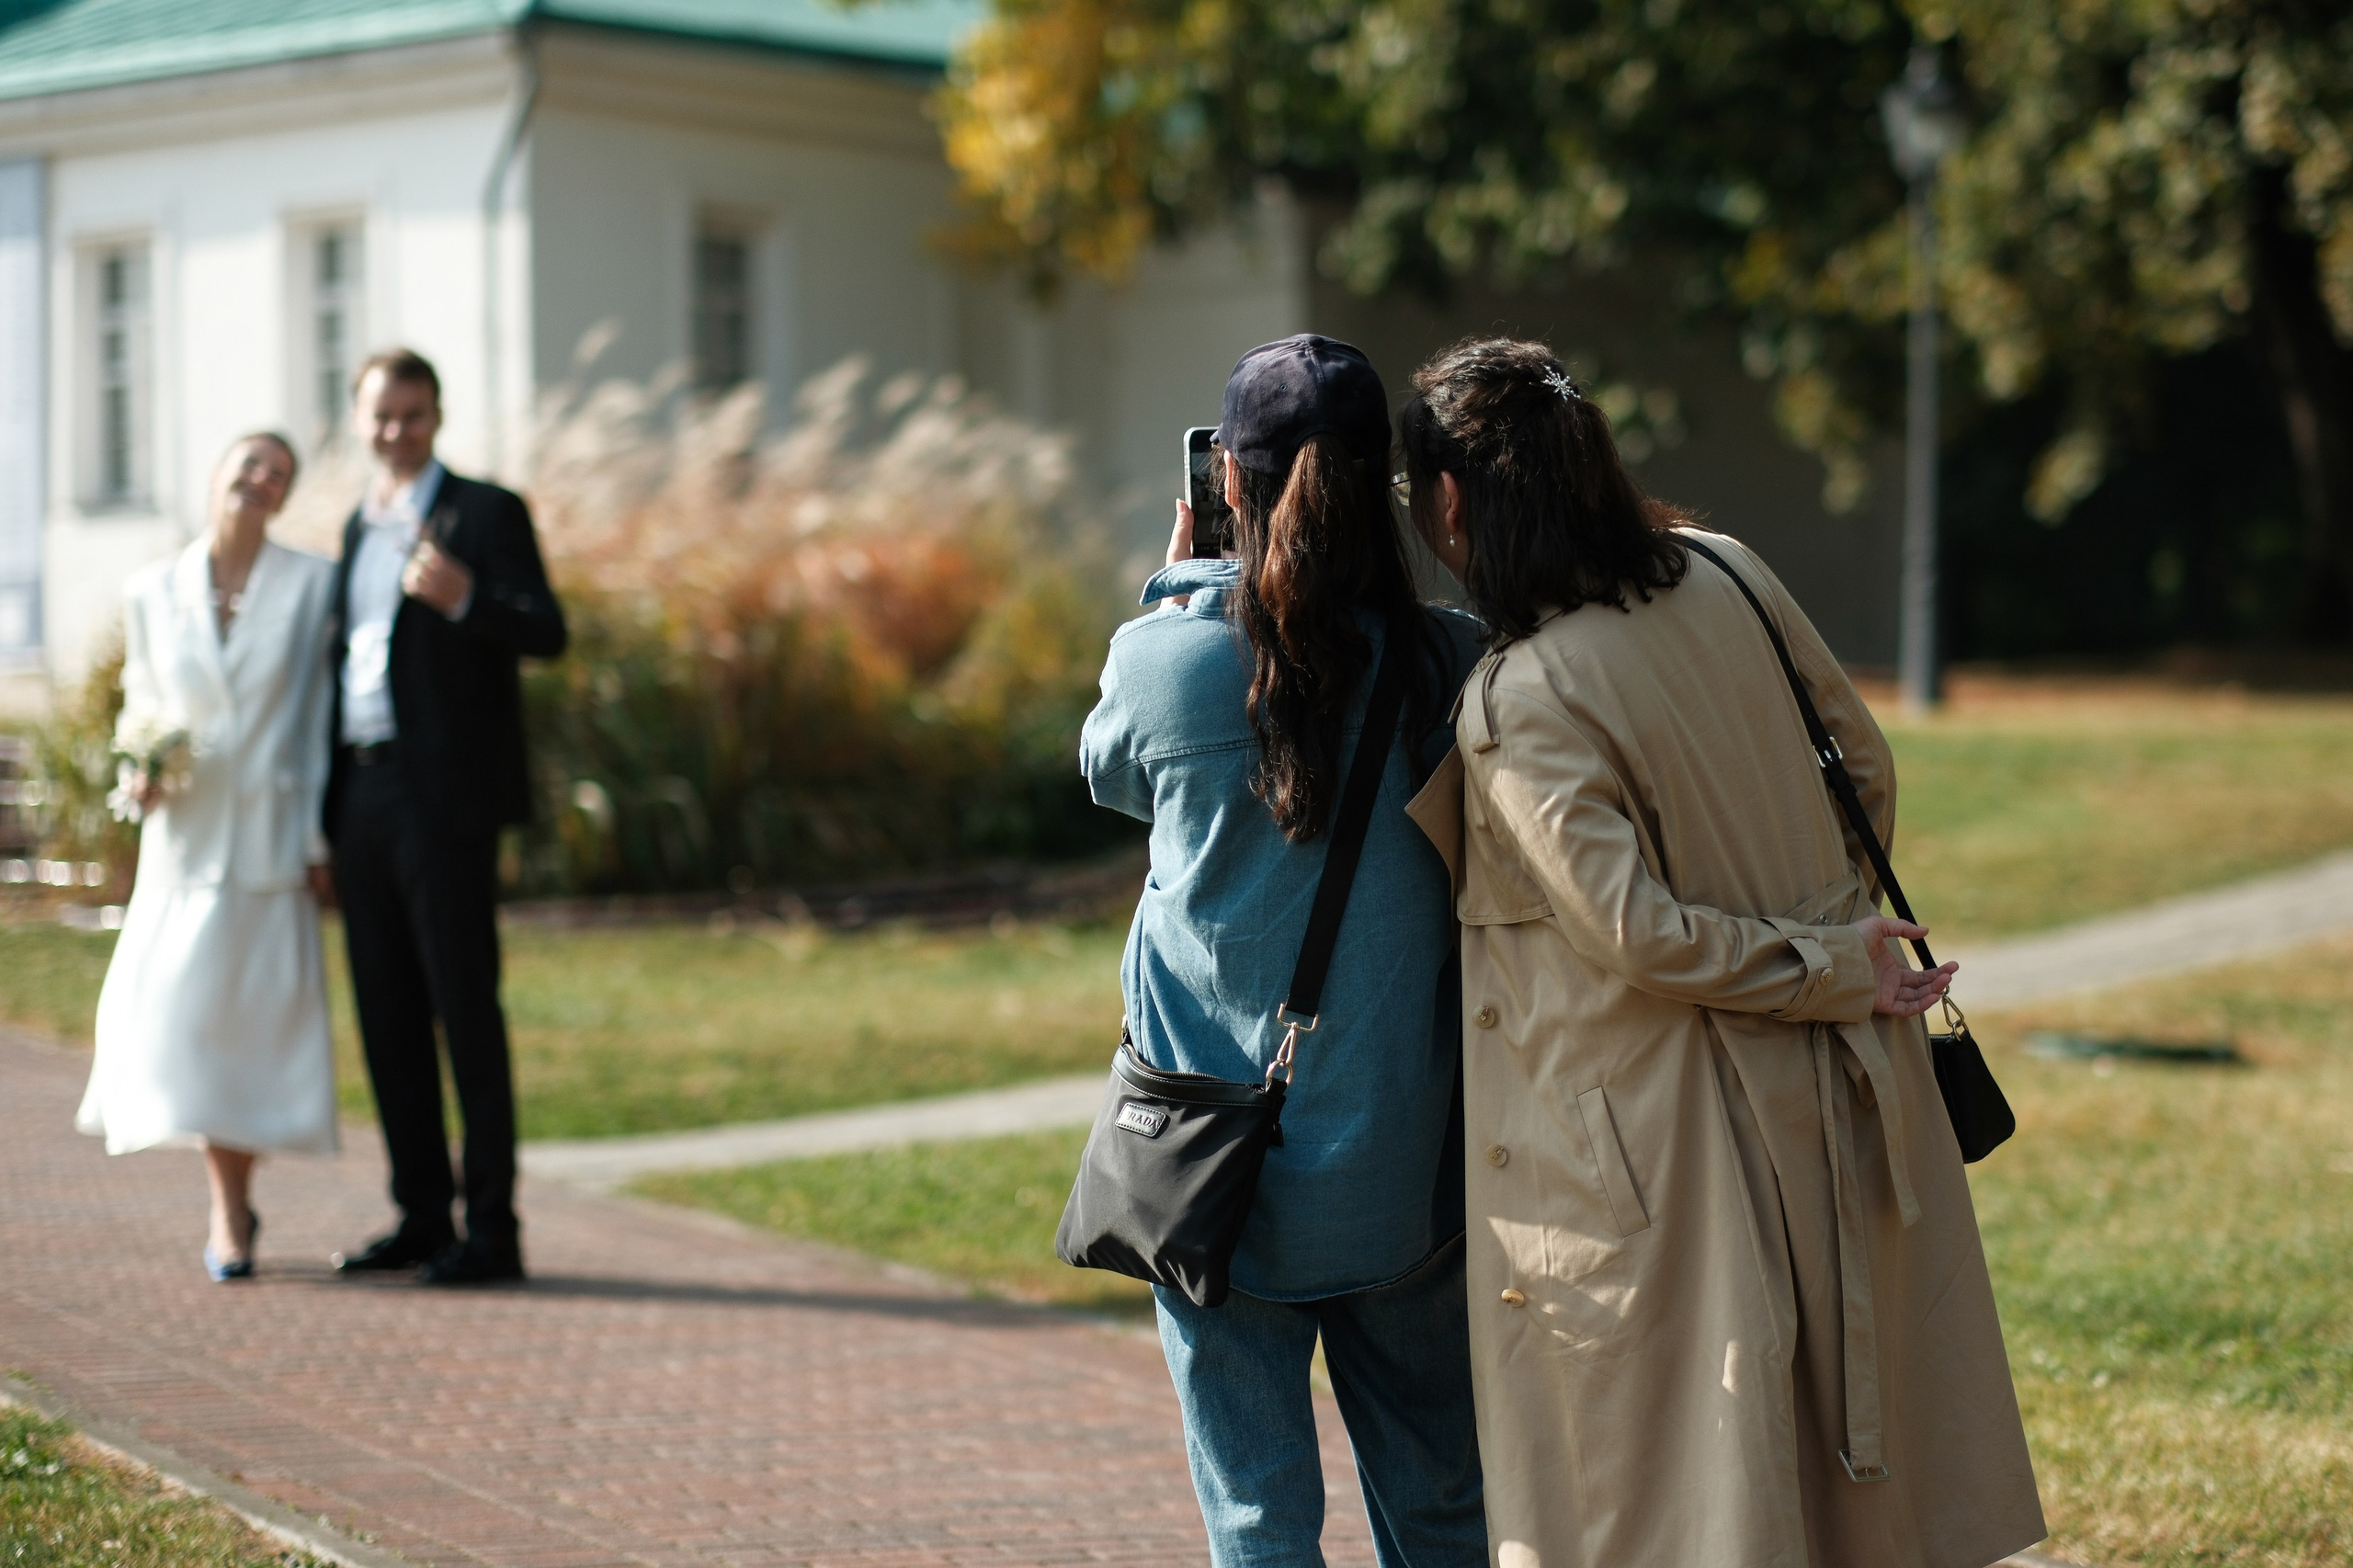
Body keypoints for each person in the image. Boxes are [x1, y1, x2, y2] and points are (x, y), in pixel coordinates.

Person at [1395, 337, 2045, 1568]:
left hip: (1667, 1125)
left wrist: (1814, 960)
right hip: (1841, 1078)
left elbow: (1634, 930)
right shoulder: (1724, 570)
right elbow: (1863, 770)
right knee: (1842, 1480)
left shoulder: (1521, 693)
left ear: (1454, 500)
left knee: (1692, 1494)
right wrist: (1825, 931)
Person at [1080, 335, 1488, 1568]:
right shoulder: (1450, 662)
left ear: (1232, 487)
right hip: (1399, 1170)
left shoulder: (1167, 660)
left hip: (1214, 1173)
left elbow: (1107, 775)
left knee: (1258, 1521)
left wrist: (1176, 587)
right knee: (1442, 1508)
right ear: (1382, 489)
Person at [325, 347, 566, 1286]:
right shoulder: (355, 525)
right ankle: (420, 1214)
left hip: (445, 805)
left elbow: (546, 628)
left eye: (414, 415)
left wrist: (468, 599)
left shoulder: (485, 510)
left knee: (465, 1011)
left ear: (437, 416)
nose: (397, 430)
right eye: (383, 415)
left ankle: (492, 1229)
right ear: (359, 419)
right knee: (386, 1013)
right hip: (360, 794)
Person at [76, 432, 341, 1281]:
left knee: (253, 1033)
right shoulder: (152, 589)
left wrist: (315, 839)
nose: (262, 479)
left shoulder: (310, 585)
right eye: (249, 464)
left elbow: (315, 715)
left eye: (279, 473)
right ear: (215, 474)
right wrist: (139, 775)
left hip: (270, 837)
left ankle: (234, 1207)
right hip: (184, 843)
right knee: (181, 1026)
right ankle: (226, 1201)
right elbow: (144, 707)